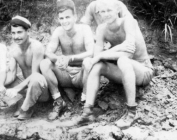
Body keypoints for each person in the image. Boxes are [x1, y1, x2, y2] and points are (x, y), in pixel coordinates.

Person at [75, 0, 154, 129]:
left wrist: (102, 55)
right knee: (97, 65)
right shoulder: (101, 29)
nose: (106, 14)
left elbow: (128, 52)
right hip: (123, 72)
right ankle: (87, 112)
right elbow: (96, 56)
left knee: (122, 60)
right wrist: (102, 55)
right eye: (102, 12)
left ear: (117, 10)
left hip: (143, 71)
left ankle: (131, 112)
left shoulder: (128, 22)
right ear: (98, 14)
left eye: (109, 10)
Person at [40, 0, 94, 120]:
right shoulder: (58, 31)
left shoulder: (85, 29)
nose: (65, 21)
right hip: (66, 74)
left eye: (68, 17)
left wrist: (70, 58)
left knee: (88, 62)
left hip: (82, 75)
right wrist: (58, 59)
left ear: (75, 16)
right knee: (45, 63)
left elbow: (91, 52)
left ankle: (84, 102)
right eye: (62, 18)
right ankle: (59, 101)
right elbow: (47, 52)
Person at [5, 16, 49, 120]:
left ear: (28, 31)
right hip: (26, 87)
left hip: (42, 91)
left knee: (35, 78)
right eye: (13, 33)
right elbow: (11, 76)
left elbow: (35, 74)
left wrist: (16, 89)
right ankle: (21, 100)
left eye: (19, 32)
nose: (16, 36)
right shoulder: (13, 50)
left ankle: (27, 108)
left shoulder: (36, 47)